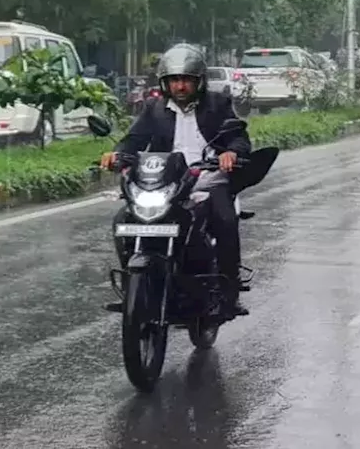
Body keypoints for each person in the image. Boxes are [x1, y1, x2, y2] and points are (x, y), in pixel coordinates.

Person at [100, 43, 251, 315]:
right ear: (165, 82)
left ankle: (229, 293)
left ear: (199, 82)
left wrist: (230, 153)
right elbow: (134, 140)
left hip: (207, 177)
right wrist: (117, 155)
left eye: (186, 81)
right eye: (174, 80)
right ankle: (132, 288)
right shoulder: (154, 108)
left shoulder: (217, 104)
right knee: (124, 220)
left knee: (225, 220)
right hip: (165, 180)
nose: (180, 86)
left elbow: (239, 138)